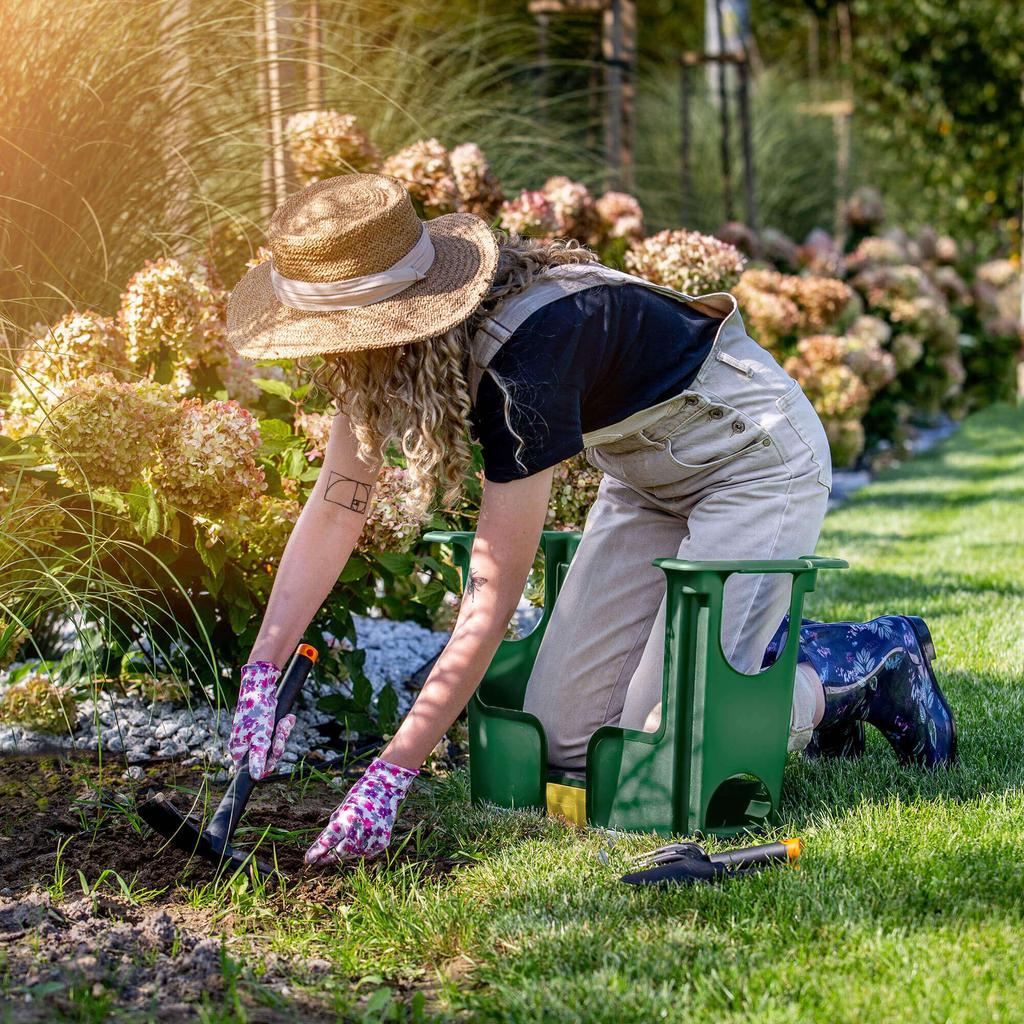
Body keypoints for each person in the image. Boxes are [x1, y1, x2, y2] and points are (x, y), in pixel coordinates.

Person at [224, 174, 957, 866]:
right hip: (645, 483)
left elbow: (491, 591)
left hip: (753, 461)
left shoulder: (524, 360)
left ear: (393, 319)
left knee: (661, 761)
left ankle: (864, 667)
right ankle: (753, 656)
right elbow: (339, 500)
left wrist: (393, 772)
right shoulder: (383, 362)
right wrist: (262, 667)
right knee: (564, 748)